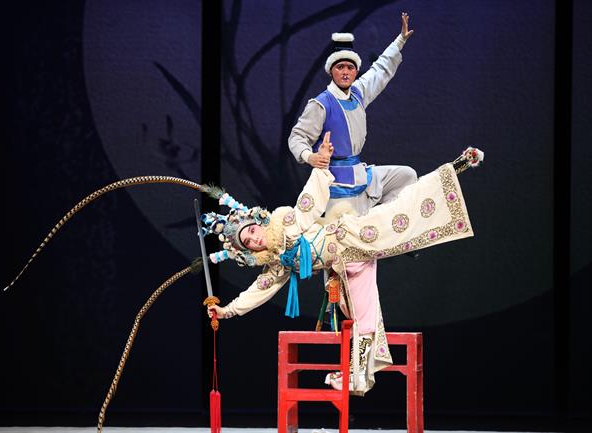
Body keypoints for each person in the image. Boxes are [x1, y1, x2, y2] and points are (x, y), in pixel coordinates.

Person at [204, 143, 484, 395]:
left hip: (351, 236)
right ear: (248, 251)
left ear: (258, 223)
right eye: (248, 242)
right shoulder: (278, 263)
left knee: (400, 213)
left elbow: (309, 201)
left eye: (252, 231)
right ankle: (355, 376)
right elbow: (259, 290)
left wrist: (322, 164)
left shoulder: (286, 223)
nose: (254, 239)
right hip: (345, 268)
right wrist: (227, 311)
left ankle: (456, 166)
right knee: (364, 317)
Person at [288, 12, 417, 216]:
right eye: (340, 67)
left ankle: (383, 222)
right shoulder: (321, 104)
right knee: (349, 230)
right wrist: (310, 156)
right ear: (331, 71)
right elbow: (297, 137)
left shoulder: (358, 93)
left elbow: (380, 69)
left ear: (356, 71)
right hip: (337, 184)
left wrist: (400, 40)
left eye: (350, 67)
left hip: (361, 174)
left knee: (407, 176)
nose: (345, 72)